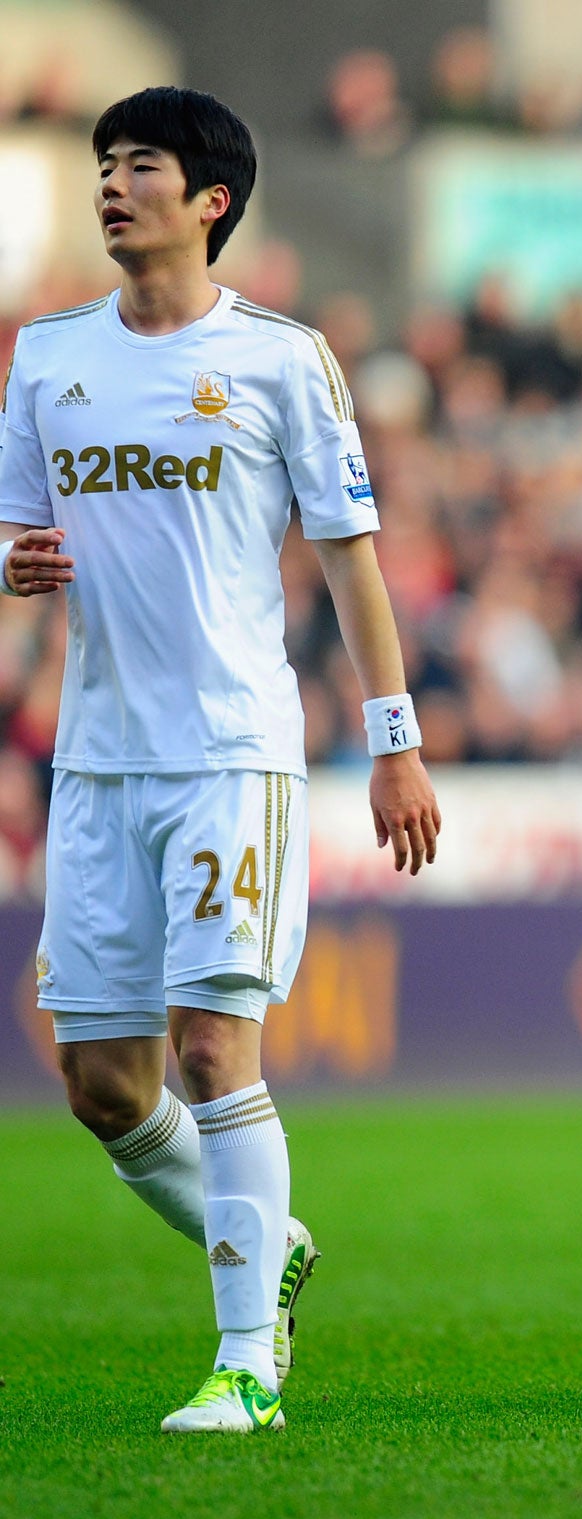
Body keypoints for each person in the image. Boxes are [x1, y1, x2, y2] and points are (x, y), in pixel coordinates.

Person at [0, 87, 441, 1433]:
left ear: (211, 203)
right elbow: (21, 546)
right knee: (102, 1085)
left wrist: (396, 743)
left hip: (232, 752)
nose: (112, 185)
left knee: (208, 1051)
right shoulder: (44, 361)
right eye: (104, 164)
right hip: (97, 763)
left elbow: (350, 562)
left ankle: (249, 1364)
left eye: (141, 164)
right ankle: (271, 1242)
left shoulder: (283, 359)